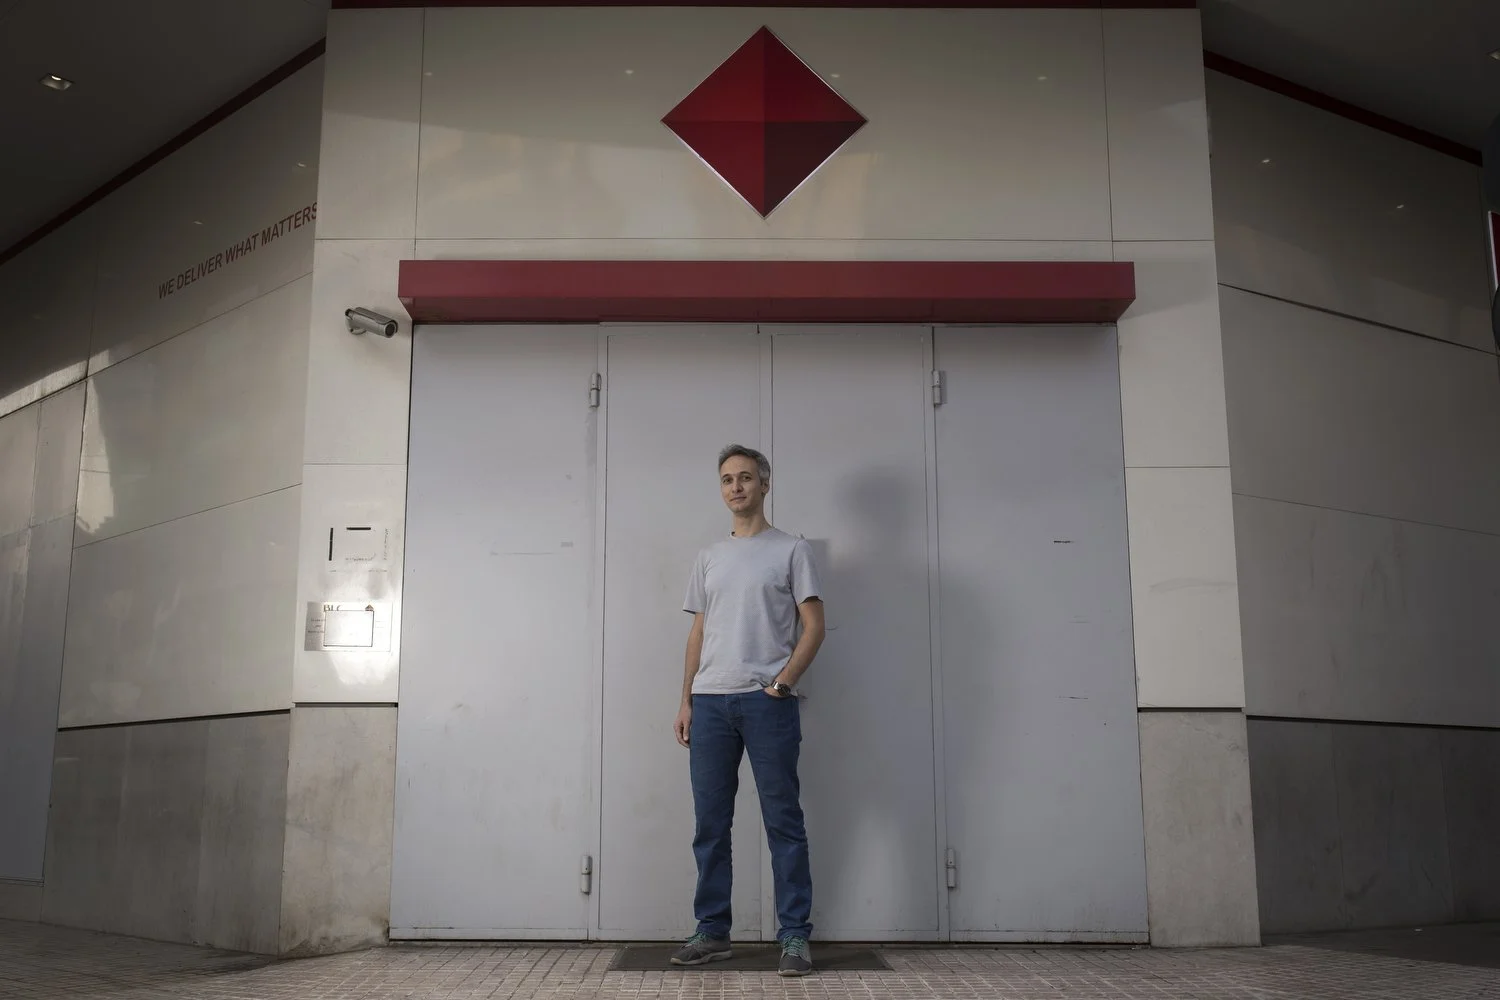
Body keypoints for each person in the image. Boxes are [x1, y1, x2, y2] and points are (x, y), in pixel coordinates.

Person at [670, 444, 825, 977]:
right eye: (727, 480)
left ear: (764, 483)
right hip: (711, 704)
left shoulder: (792, 549)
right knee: (710, 825)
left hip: (767, 704)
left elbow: (815, 627)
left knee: (784, 821)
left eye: (745, 478)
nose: (735, 487)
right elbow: (698, 631)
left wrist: (781, 686)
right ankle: (712, 931)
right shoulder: (709, 556)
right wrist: (687, 699)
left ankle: (794, 938)